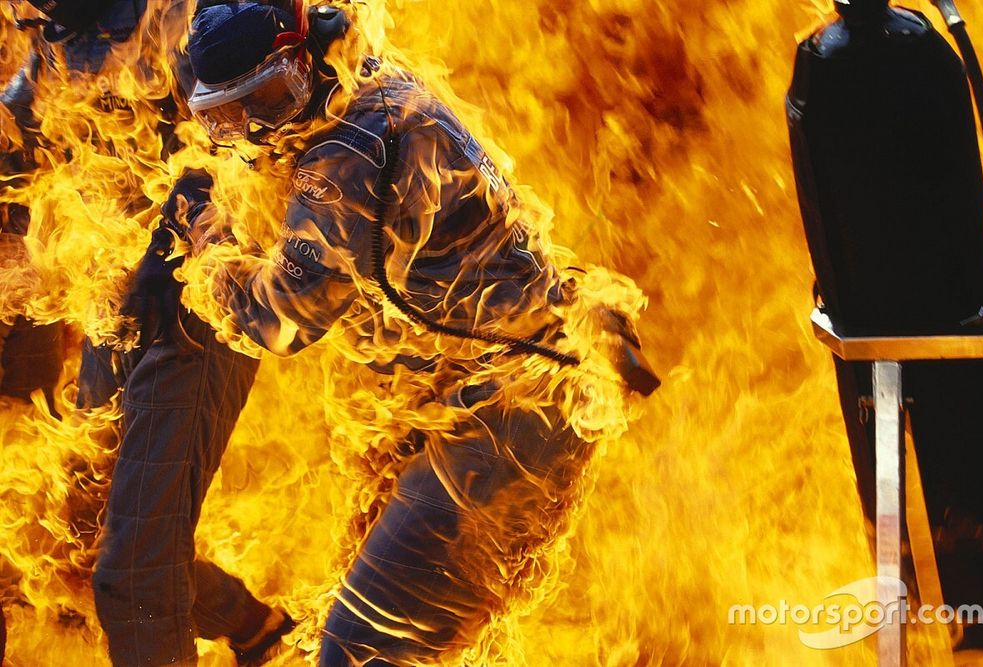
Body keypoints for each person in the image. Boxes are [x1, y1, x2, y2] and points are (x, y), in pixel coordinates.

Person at [156, 2, 658, 664]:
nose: (252, 131)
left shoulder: (347, 154)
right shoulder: (369, 89)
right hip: (499, 394)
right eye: (227, 117)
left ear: (304, 61)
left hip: (508, 412)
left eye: (270, 101)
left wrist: (207, 242)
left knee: (358, 649)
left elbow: (278, 320)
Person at [0, 2, 289, 664]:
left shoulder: (185, 19)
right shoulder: (58, 31)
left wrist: (174, 235)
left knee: (133, 573)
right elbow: (23, 113)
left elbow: (250, 141)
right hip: (119, 300)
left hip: (197, 304)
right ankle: (255, 626)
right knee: (88, 528)